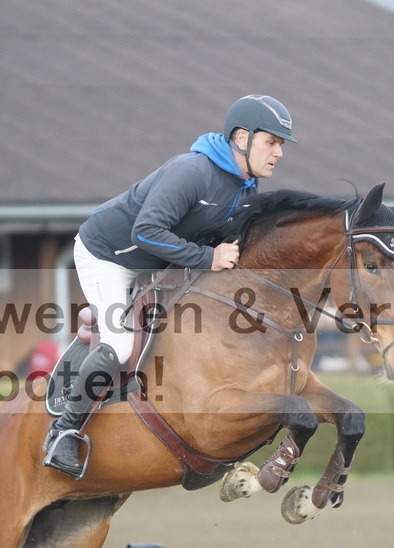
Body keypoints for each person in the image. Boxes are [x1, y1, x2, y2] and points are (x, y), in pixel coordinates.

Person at [44, 95, 297, 478]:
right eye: (272, 142)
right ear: (242, 138)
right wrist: (208, 258)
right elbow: (145, 231)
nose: (278, 152)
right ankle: (62, 432)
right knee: (119, 344)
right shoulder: (193, 172)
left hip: (159, 263)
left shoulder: (246, 189)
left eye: (281, 145)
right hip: (108, 256)